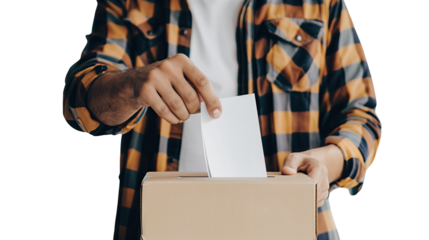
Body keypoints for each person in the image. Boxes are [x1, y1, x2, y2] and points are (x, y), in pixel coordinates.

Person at [62, 0, 382, 239]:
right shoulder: (133, 1)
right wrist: (131, 86)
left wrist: (327, 161)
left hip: (287, 227)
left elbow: (361, 116)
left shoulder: (319, 3)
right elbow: (78, 105)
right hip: (160, 227)